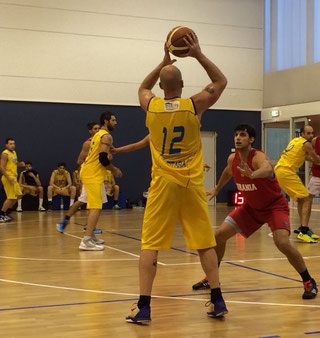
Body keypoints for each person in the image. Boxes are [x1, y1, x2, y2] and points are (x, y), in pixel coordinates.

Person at [126, 34, 228, 324]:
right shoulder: (194, 105)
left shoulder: (152, 105)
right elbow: (220, 81)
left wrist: (162, 62)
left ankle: (143, 306)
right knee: (204, 244)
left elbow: (143, 87)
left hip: (163, 185)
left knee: (150, 245)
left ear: (162, 86)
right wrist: (198, 54)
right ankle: (217, 300)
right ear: (182, 86)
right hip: (192, 185)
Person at [192, 124, 319, 300]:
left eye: (242, 135)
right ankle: (211, 278)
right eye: (236, 135)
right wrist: (216, 188)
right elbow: (227, 172)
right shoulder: (233, 159)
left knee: (282, 242)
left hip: (274, 206)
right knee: (219, 236)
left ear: (251, 139)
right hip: (251, 208)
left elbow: (267, 168)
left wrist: (253, 174)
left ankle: (308, 280)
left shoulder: (258, 156)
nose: (238, 138)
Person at [68, 112, 121, 250]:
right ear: (106, 121)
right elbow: (103, 159)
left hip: (90, 172)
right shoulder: (106, 136)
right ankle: (85, 241)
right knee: (95, 207)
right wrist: (114, 170)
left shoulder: (98, 135)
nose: (116, 122)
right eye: (113, 120)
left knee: (94, 205)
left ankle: (90, 236)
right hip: (93, 173)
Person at [273, 126, 320, 243]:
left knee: (301, 199)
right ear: (303, 133)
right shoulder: (307, 144)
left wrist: (310, 158)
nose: (311, 135)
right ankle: (304, 231)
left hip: (280, 170)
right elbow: (316, 159)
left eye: (312, 133)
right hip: (286, 171)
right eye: (308, 133)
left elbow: (299, 156)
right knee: (306, 199)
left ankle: (302, 227)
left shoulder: (294, 141)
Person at [57, 122, 103, 234]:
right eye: (95, 129)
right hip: (90, 176)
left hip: (97, 175)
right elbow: (79, 161)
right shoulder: (88, 144)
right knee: (91, 203)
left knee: (86, 202)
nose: (97, 130)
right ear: (90, 131)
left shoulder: (101, 142)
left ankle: (72, 222)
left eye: (98, 128)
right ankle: (86, 226)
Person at [0, 138, 25, 222]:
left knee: (19, 195)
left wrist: (20, 164)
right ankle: (1, 214)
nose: (13, 145)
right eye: (10, 144)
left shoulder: (14, 153)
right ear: (6, 145)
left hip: (14, 177)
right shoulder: (5, 154)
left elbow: (14, 163)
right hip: (8, 178)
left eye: (13, 143)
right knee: (11, 197)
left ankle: (6, 212)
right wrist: (8, 177)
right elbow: (1, 167)